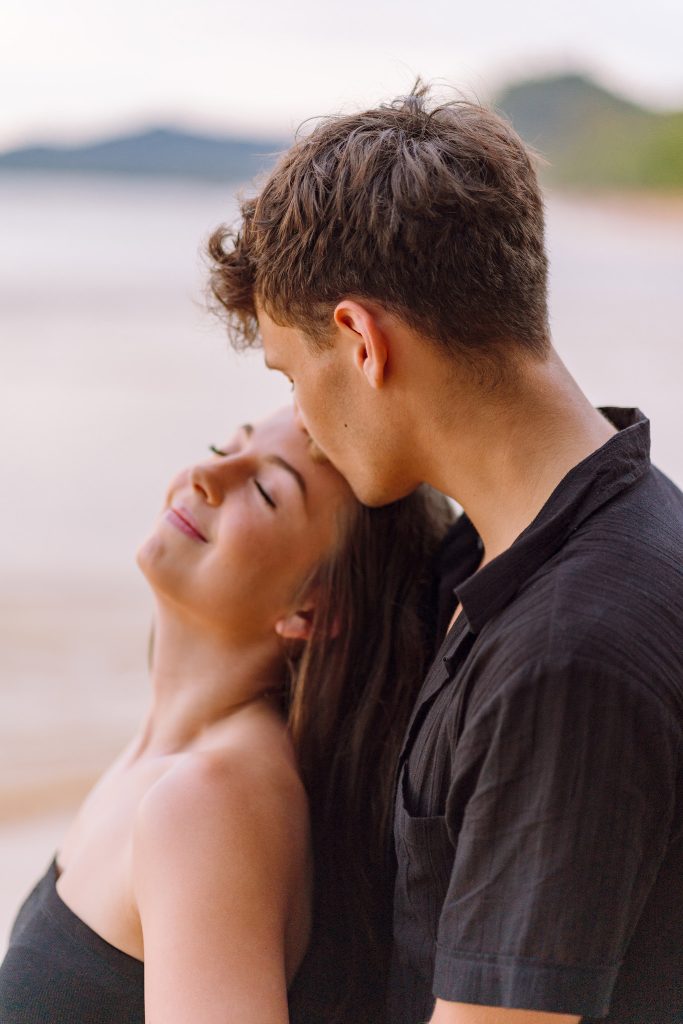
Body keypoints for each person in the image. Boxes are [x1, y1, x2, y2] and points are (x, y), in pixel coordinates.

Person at [207, 83, 683, 1023]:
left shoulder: (567, 651)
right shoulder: (522, 560)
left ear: (358, 340)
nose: (299, 419)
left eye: (288, 375)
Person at [0, 406, 453, 1024]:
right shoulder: (172, 766)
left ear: (314, 611)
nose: (204, 476)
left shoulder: (209, 803)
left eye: (266, 492)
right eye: (223, 447)